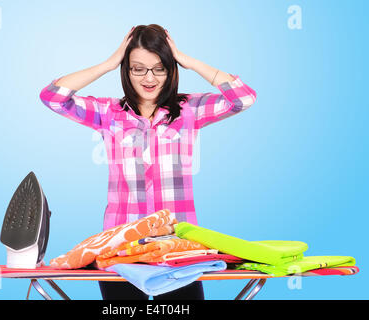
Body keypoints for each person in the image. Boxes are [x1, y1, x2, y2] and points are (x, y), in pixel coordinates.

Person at [39, 24, 257, 300]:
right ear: (126, 70)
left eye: (159, 68)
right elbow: (52, 97)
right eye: (138, 68)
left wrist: (187, 61)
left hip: (177, 247)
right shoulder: (109, 113)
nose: (149, 77)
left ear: (170, 69)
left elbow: (244, 98)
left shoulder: (188, 110)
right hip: (120, 249)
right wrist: (108, 63)